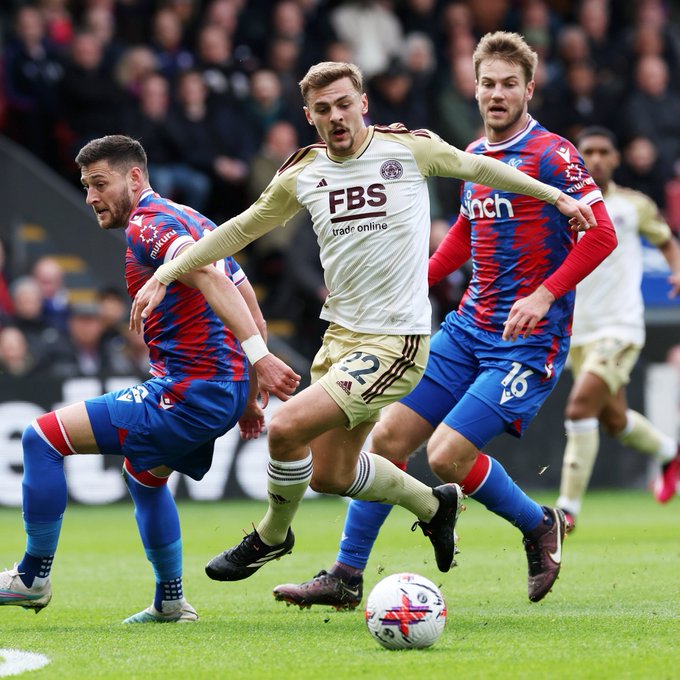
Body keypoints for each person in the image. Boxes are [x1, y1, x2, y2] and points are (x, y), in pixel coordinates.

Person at [129, 56, 604, 591]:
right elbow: (240, 229)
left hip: (397, 342)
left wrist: (557, 196)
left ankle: (271, 536)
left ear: (364, 105)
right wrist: (169, 271)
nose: (336, 117)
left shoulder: (409, 149)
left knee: (287, 430)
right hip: (342, 337)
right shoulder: (303, 171)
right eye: (323, 109)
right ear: (310, 116)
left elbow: (480, 168)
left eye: (344, 105)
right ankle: (430, 507)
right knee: (335, 474)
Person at [249, 37, 616, 611]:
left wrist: (544, 296)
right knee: (387, 439)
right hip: (467, 328)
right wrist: (413, 280)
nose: (497, 94)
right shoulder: (471, 152)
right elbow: (466, 235)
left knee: (447, 457)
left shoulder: (552, 155)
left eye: (509, 84)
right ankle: (346, 576)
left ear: (529, 89)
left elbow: (601, 233)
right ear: (474, 87)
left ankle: (541, 523)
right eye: (488, 83)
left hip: (526, 341)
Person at [0, 135, 299, 623]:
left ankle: (32, 577)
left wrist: (260, 361)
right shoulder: (195, 219)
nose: (91, 197)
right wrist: (246, 394)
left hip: (186, 392)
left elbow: (211, 279)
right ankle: (171, 601)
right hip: (218, 392)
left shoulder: (149, 224)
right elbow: (251, 310)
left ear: (135, 178)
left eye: (100, 183)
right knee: (144, 478)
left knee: (41, 438)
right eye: (85, 186)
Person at [555, 126, 680, 526]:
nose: (594, 158)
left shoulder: (633, 205)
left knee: (579, 406)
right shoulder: (562, 204)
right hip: (579, 330)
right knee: (613, 420)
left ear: (615, 158)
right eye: (586, 151)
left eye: (602, 151)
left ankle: (566, 510)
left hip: (620, 327)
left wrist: (677, 270)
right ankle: (669, 451)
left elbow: (665, 240)